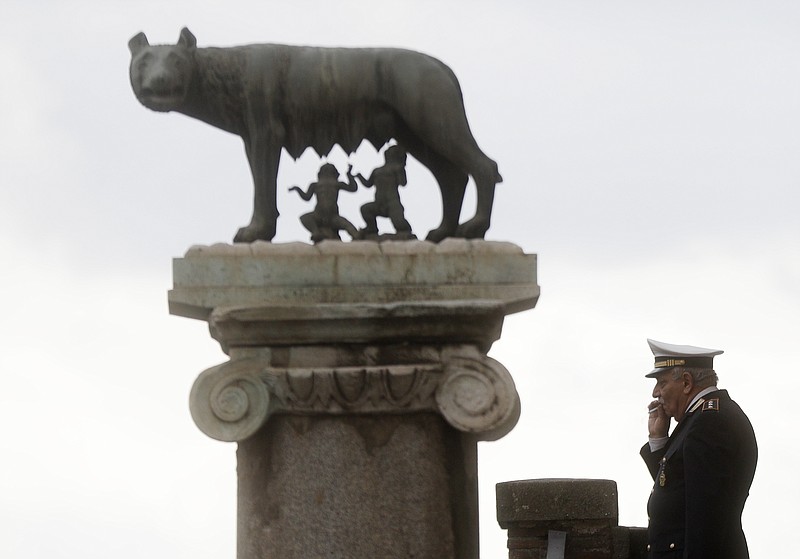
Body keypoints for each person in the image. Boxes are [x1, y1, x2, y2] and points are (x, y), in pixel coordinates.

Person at [641, 339, 757, 558]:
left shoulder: (709, 424)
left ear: (686, 382)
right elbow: (678, 489)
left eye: (662, 383)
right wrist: (658, 441)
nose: (655, 393)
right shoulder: (703, 418)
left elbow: (705, 522)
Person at [289, 163, 359, 242]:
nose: (327, 172)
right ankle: (316, 232)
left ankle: (356, 236)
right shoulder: (316, 185)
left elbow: (353, 188)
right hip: (318, 214)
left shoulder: (336, 183)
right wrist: (297, 189)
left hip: (332, 216)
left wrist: (349, 175)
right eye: (325, 170)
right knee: (305, 218)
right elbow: (307, 197)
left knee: (346, 224)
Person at [352, 145, 413, 237]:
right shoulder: (377, 170)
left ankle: (407, 234)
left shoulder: (397, 168)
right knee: (365, 209)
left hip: (393, 203)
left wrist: (401, 170)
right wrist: (359, 176)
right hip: (379, 204)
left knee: (400, 225)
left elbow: (403, 183)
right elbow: (368, 184)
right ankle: (372, 229)